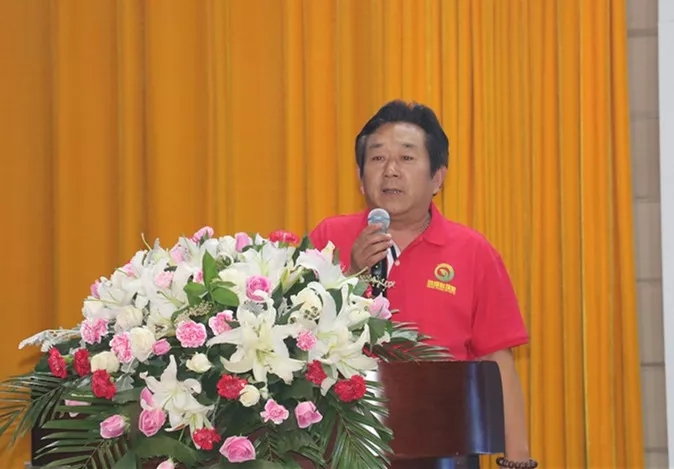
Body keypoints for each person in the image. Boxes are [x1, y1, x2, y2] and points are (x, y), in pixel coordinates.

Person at [308, 100, 538, 469]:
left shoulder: (473, 252)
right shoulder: (329, 238)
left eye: (406, 158)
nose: (391, 171)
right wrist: (351, 274)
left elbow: (497, 362)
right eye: (377, 158)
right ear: (360, 175)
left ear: (437, 178)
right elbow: (300, 336)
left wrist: (518, 460)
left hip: (446, 449)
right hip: (341, 449)